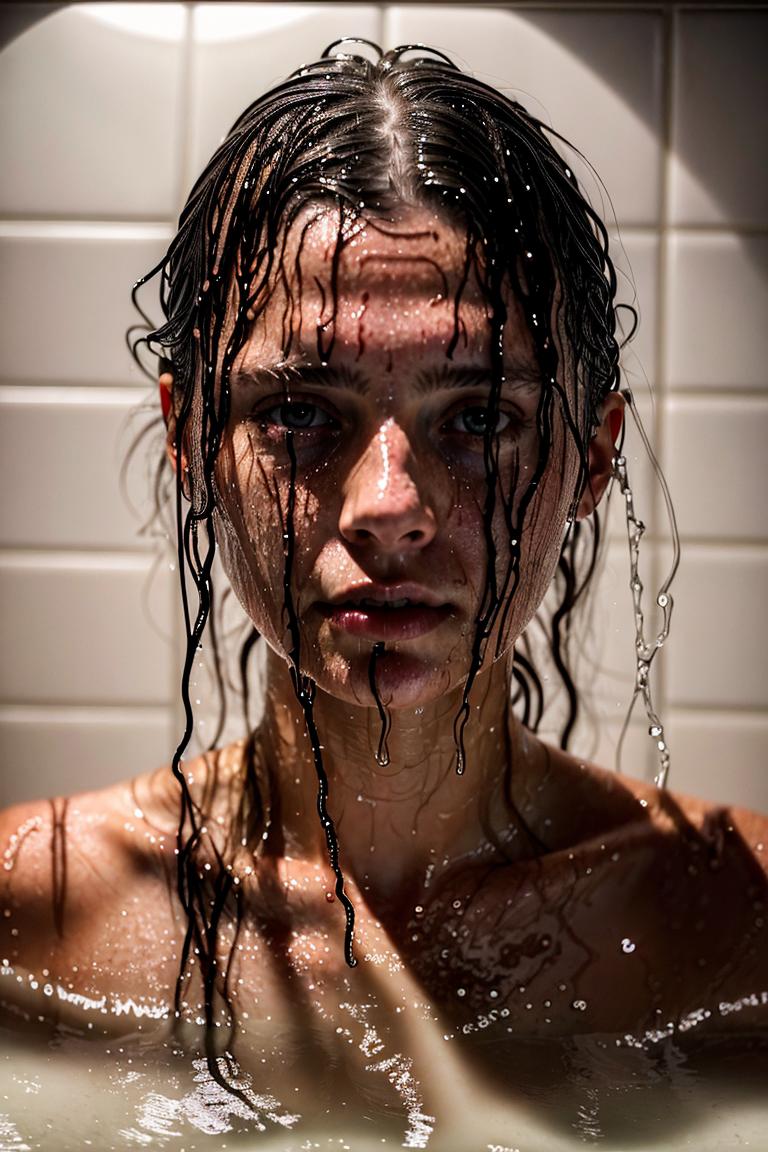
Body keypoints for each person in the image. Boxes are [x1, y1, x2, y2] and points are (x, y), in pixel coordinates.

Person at [1, 40, 766, 1149]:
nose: (389, 505)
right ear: (187, 436)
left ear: (593, 458)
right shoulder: (30, 918)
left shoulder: (743, 929)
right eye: (302, 412)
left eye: (479, 419)